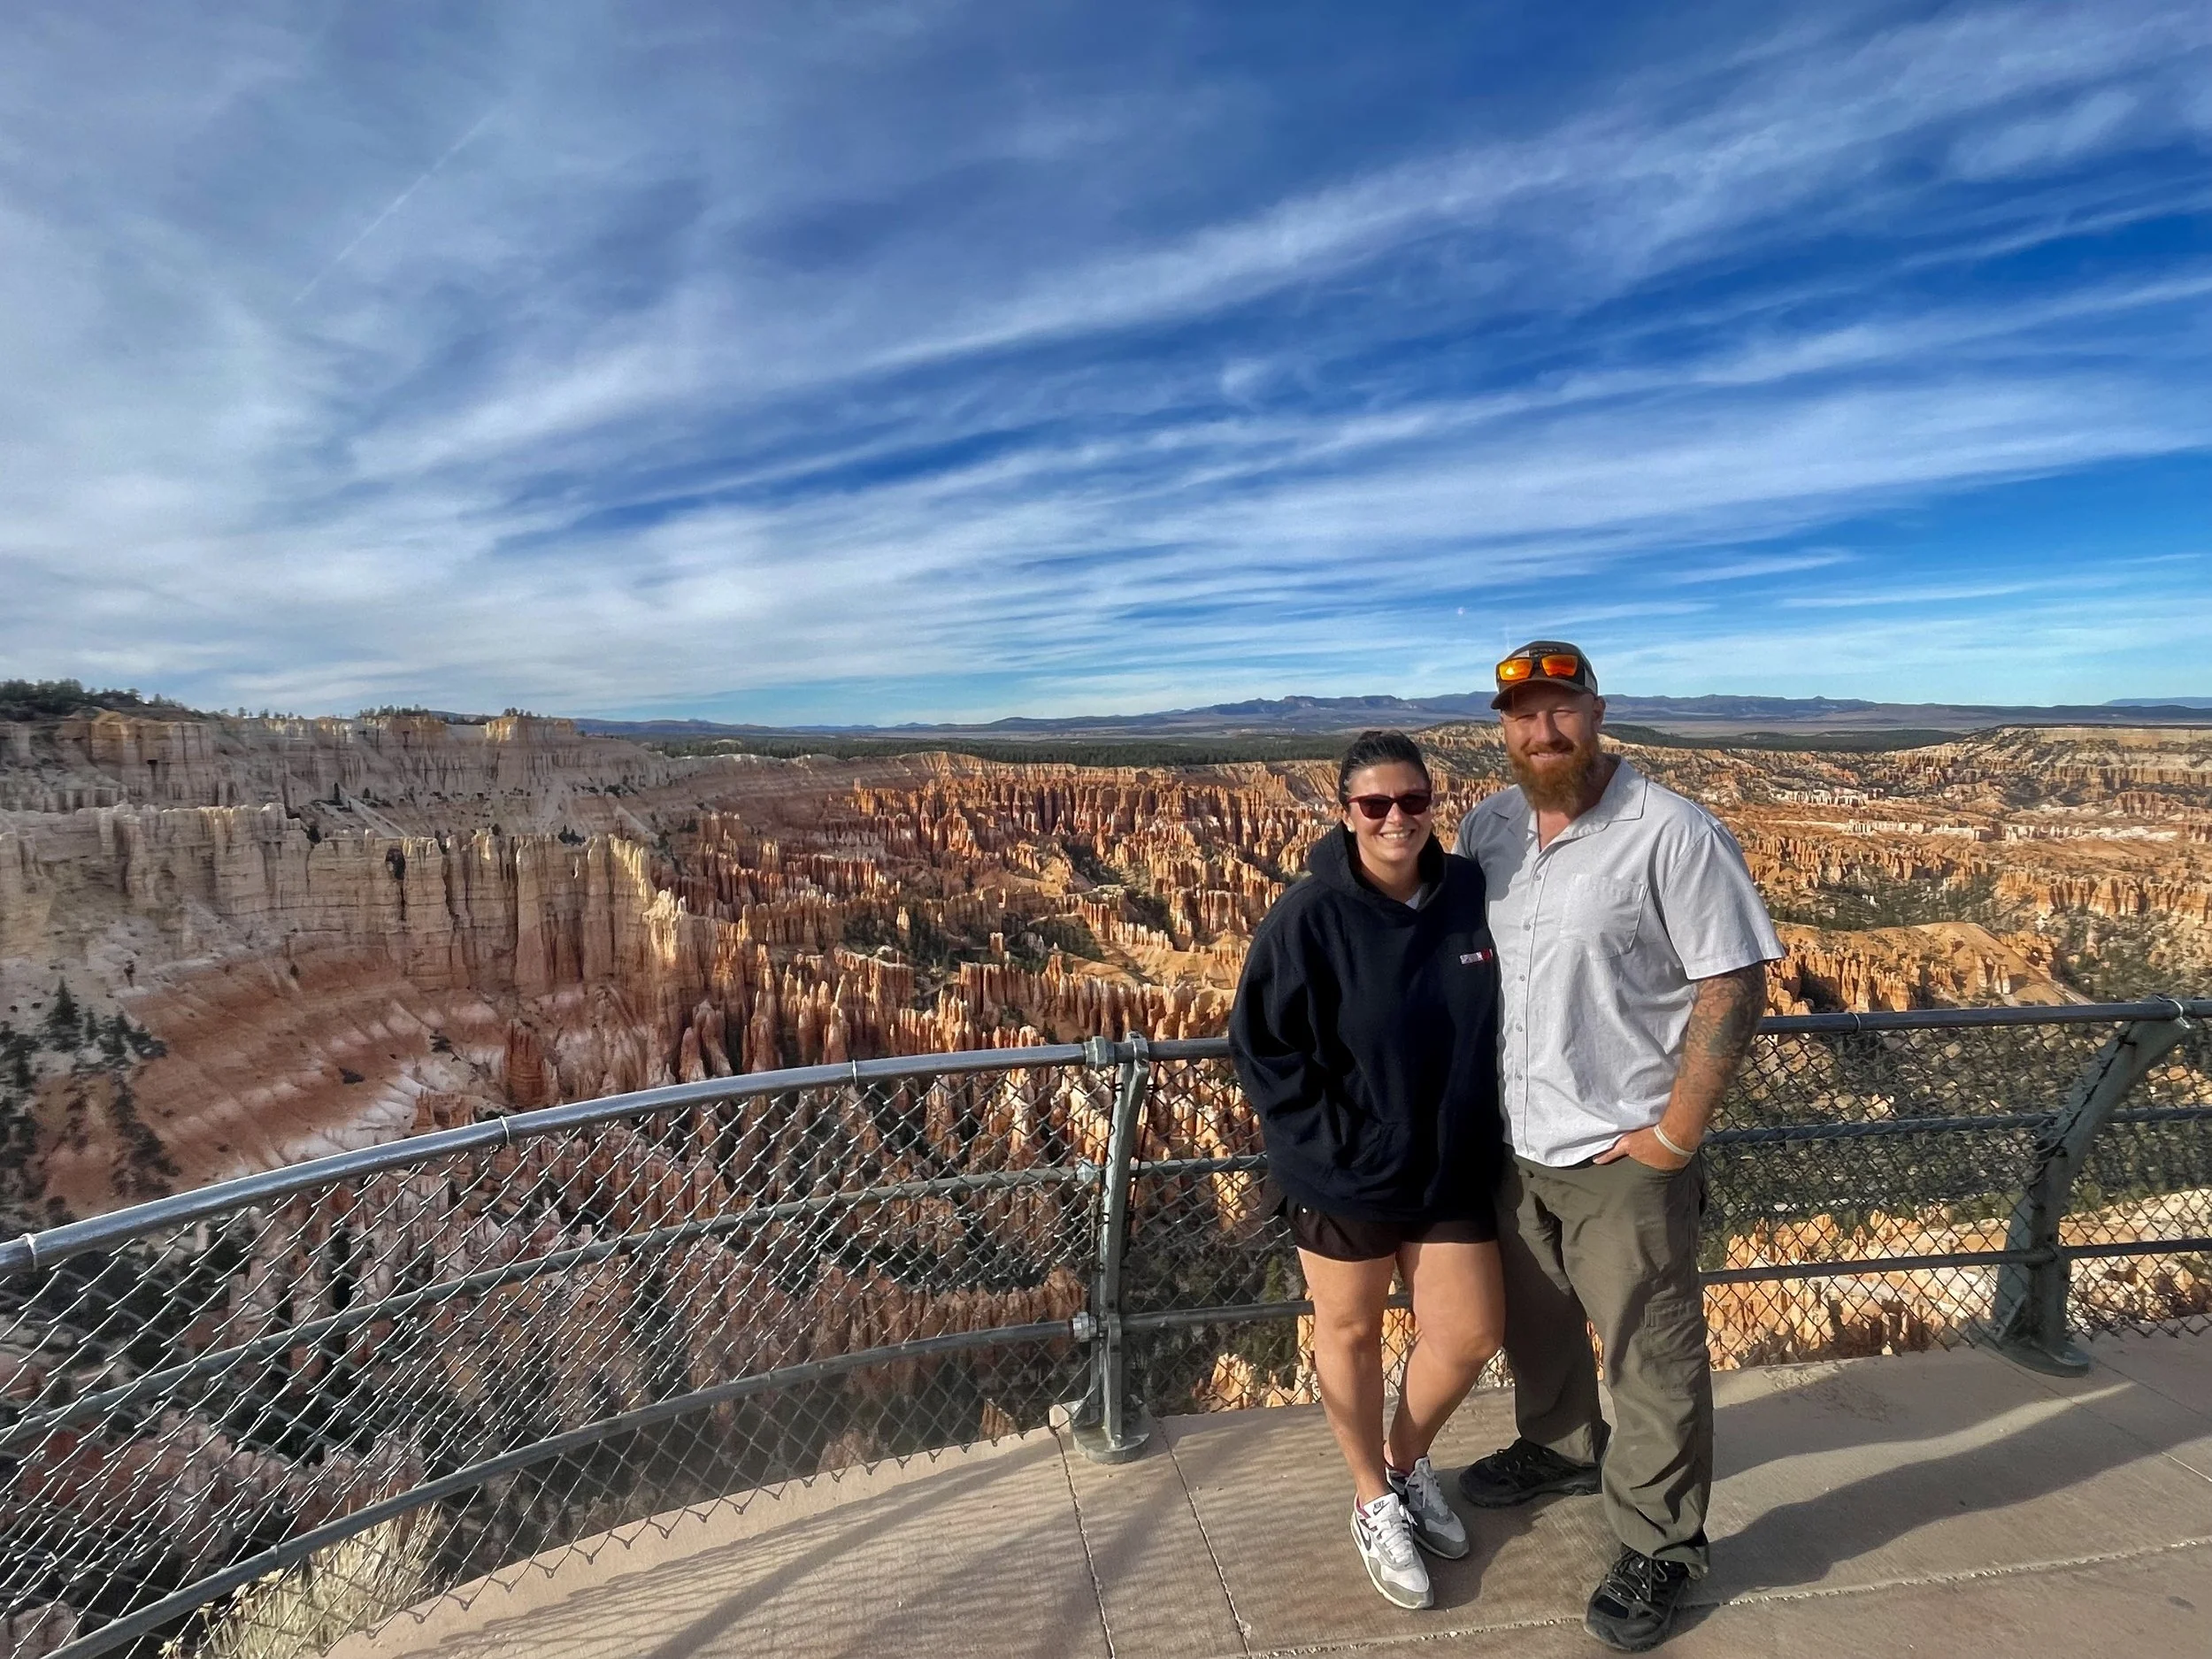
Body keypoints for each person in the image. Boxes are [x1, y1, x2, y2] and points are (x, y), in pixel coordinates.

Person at [1452, 641, 1782, 1653]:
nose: (1541, 732)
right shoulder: (1489, 824)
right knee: (1537, 1327)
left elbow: (1732, 983)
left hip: (1619, 1155)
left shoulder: (1672, 832)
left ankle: (1661, 1547)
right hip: (1515, 1143)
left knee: (1651, 1355)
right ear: (1501, 729)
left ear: (1597, 713)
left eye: (1561, 711)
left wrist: (1674, 1138)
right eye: (1522, 716)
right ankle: (1558, 1451)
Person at [1230, 729, 1507, 1611]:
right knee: (1347, 1336)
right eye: (1375, 805)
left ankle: (1404, 1459)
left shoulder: (1468, 891)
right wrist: (1331, 1147)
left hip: (1452, 1165)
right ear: (1345, 812)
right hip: (1344, 1174)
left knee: (1468, 1333)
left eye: (1413, 801)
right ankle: (1370, 1499)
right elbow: (1262, 1047)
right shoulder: (1308, 915)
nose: (1396, 818)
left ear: (1435, 804)